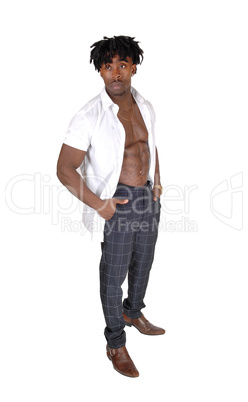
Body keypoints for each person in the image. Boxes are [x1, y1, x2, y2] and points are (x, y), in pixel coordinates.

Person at [57, 36, 165, 378]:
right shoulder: (88, 115)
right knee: (113, 275)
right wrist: (99, 205)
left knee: (144, 262)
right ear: (100, 72)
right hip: (115, 202)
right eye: (108, 67)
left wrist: (157, 180)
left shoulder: (146, 105)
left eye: (121, 65)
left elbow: (151, 147)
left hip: (148, 198)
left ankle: (134, 312)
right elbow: (63, 169)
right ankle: (115, 343)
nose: (115, 73)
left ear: (133, 66)